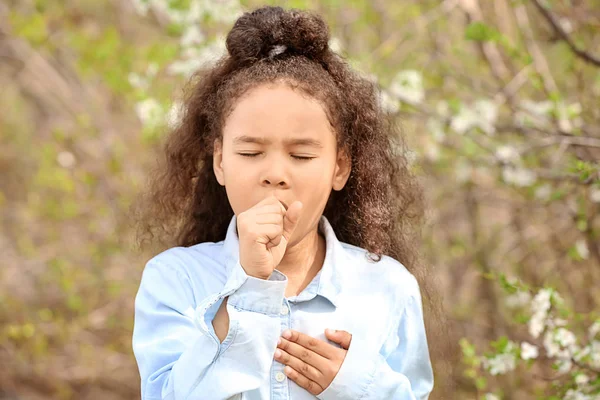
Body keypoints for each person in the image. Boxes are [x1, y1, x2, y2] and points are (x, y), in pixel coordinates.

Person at [132, 5, 435, 400]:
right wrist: (250, 286)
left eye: (302, 156)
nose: (275, 173)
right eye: (251, 152)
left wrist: (355, 384)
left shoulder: (389, 287)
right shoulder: (176, 279)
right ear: (219, 161)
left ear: (340, 167)